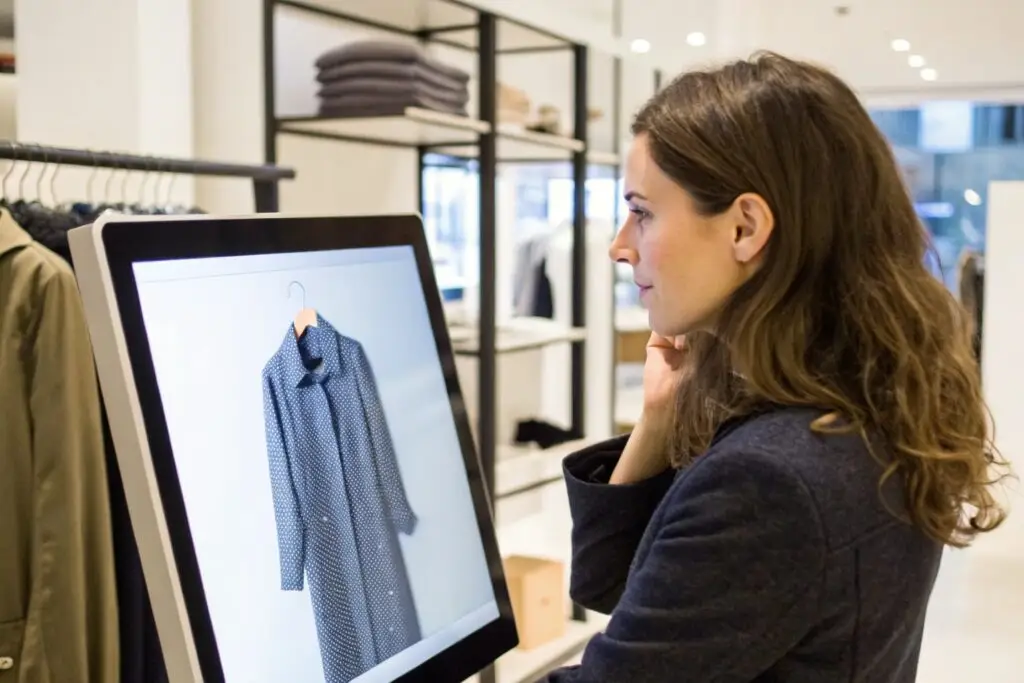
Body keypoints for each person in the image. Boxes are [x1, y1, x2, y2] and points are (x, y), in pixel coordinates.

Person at [542, 52, 1010, 682]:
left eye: (644, 212)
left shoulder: (770, 479)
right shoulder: (857, 405)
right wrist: (657, 424)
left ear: (745, 227)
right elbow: (617, 585)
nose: (620, 246)